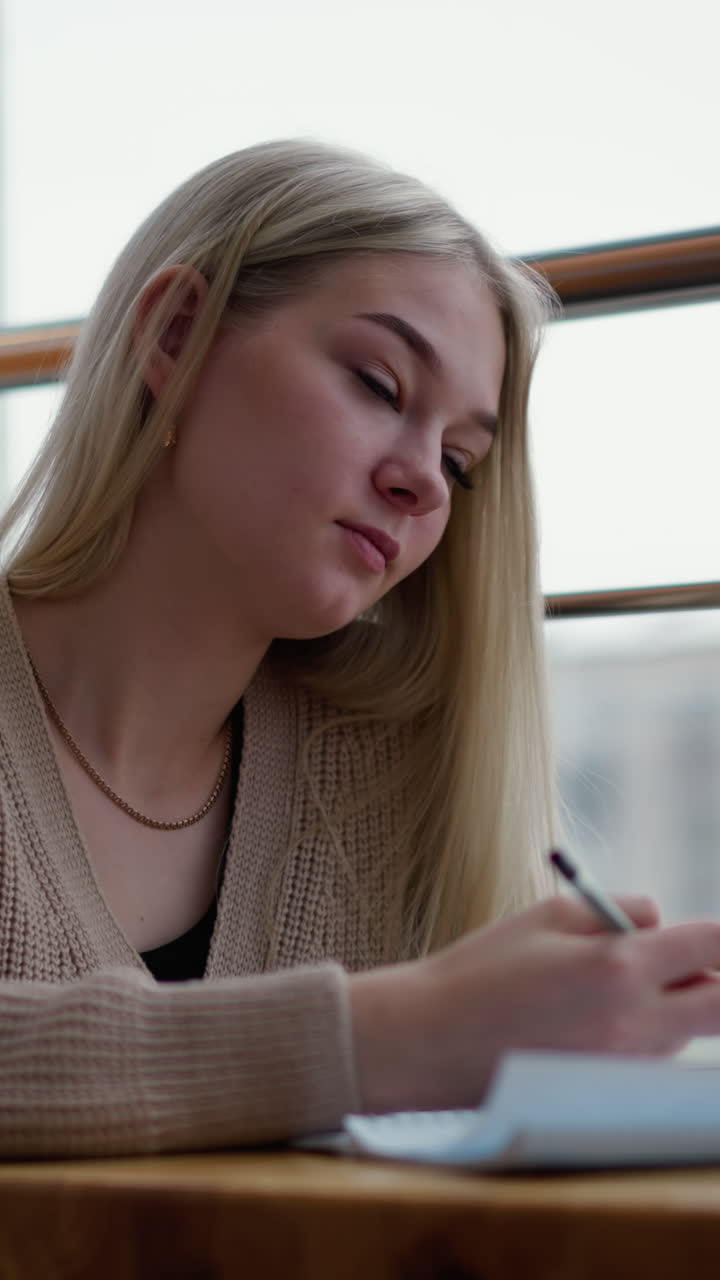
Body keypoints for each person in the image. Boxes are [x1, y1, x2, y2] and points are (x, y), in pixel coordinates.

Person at [2, 139, 720, 1159]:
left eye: (461, 462)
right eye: (381, 386)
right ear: (174, 335)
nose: (425, 481)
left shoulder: (384, 773)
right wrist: (402, 1029)